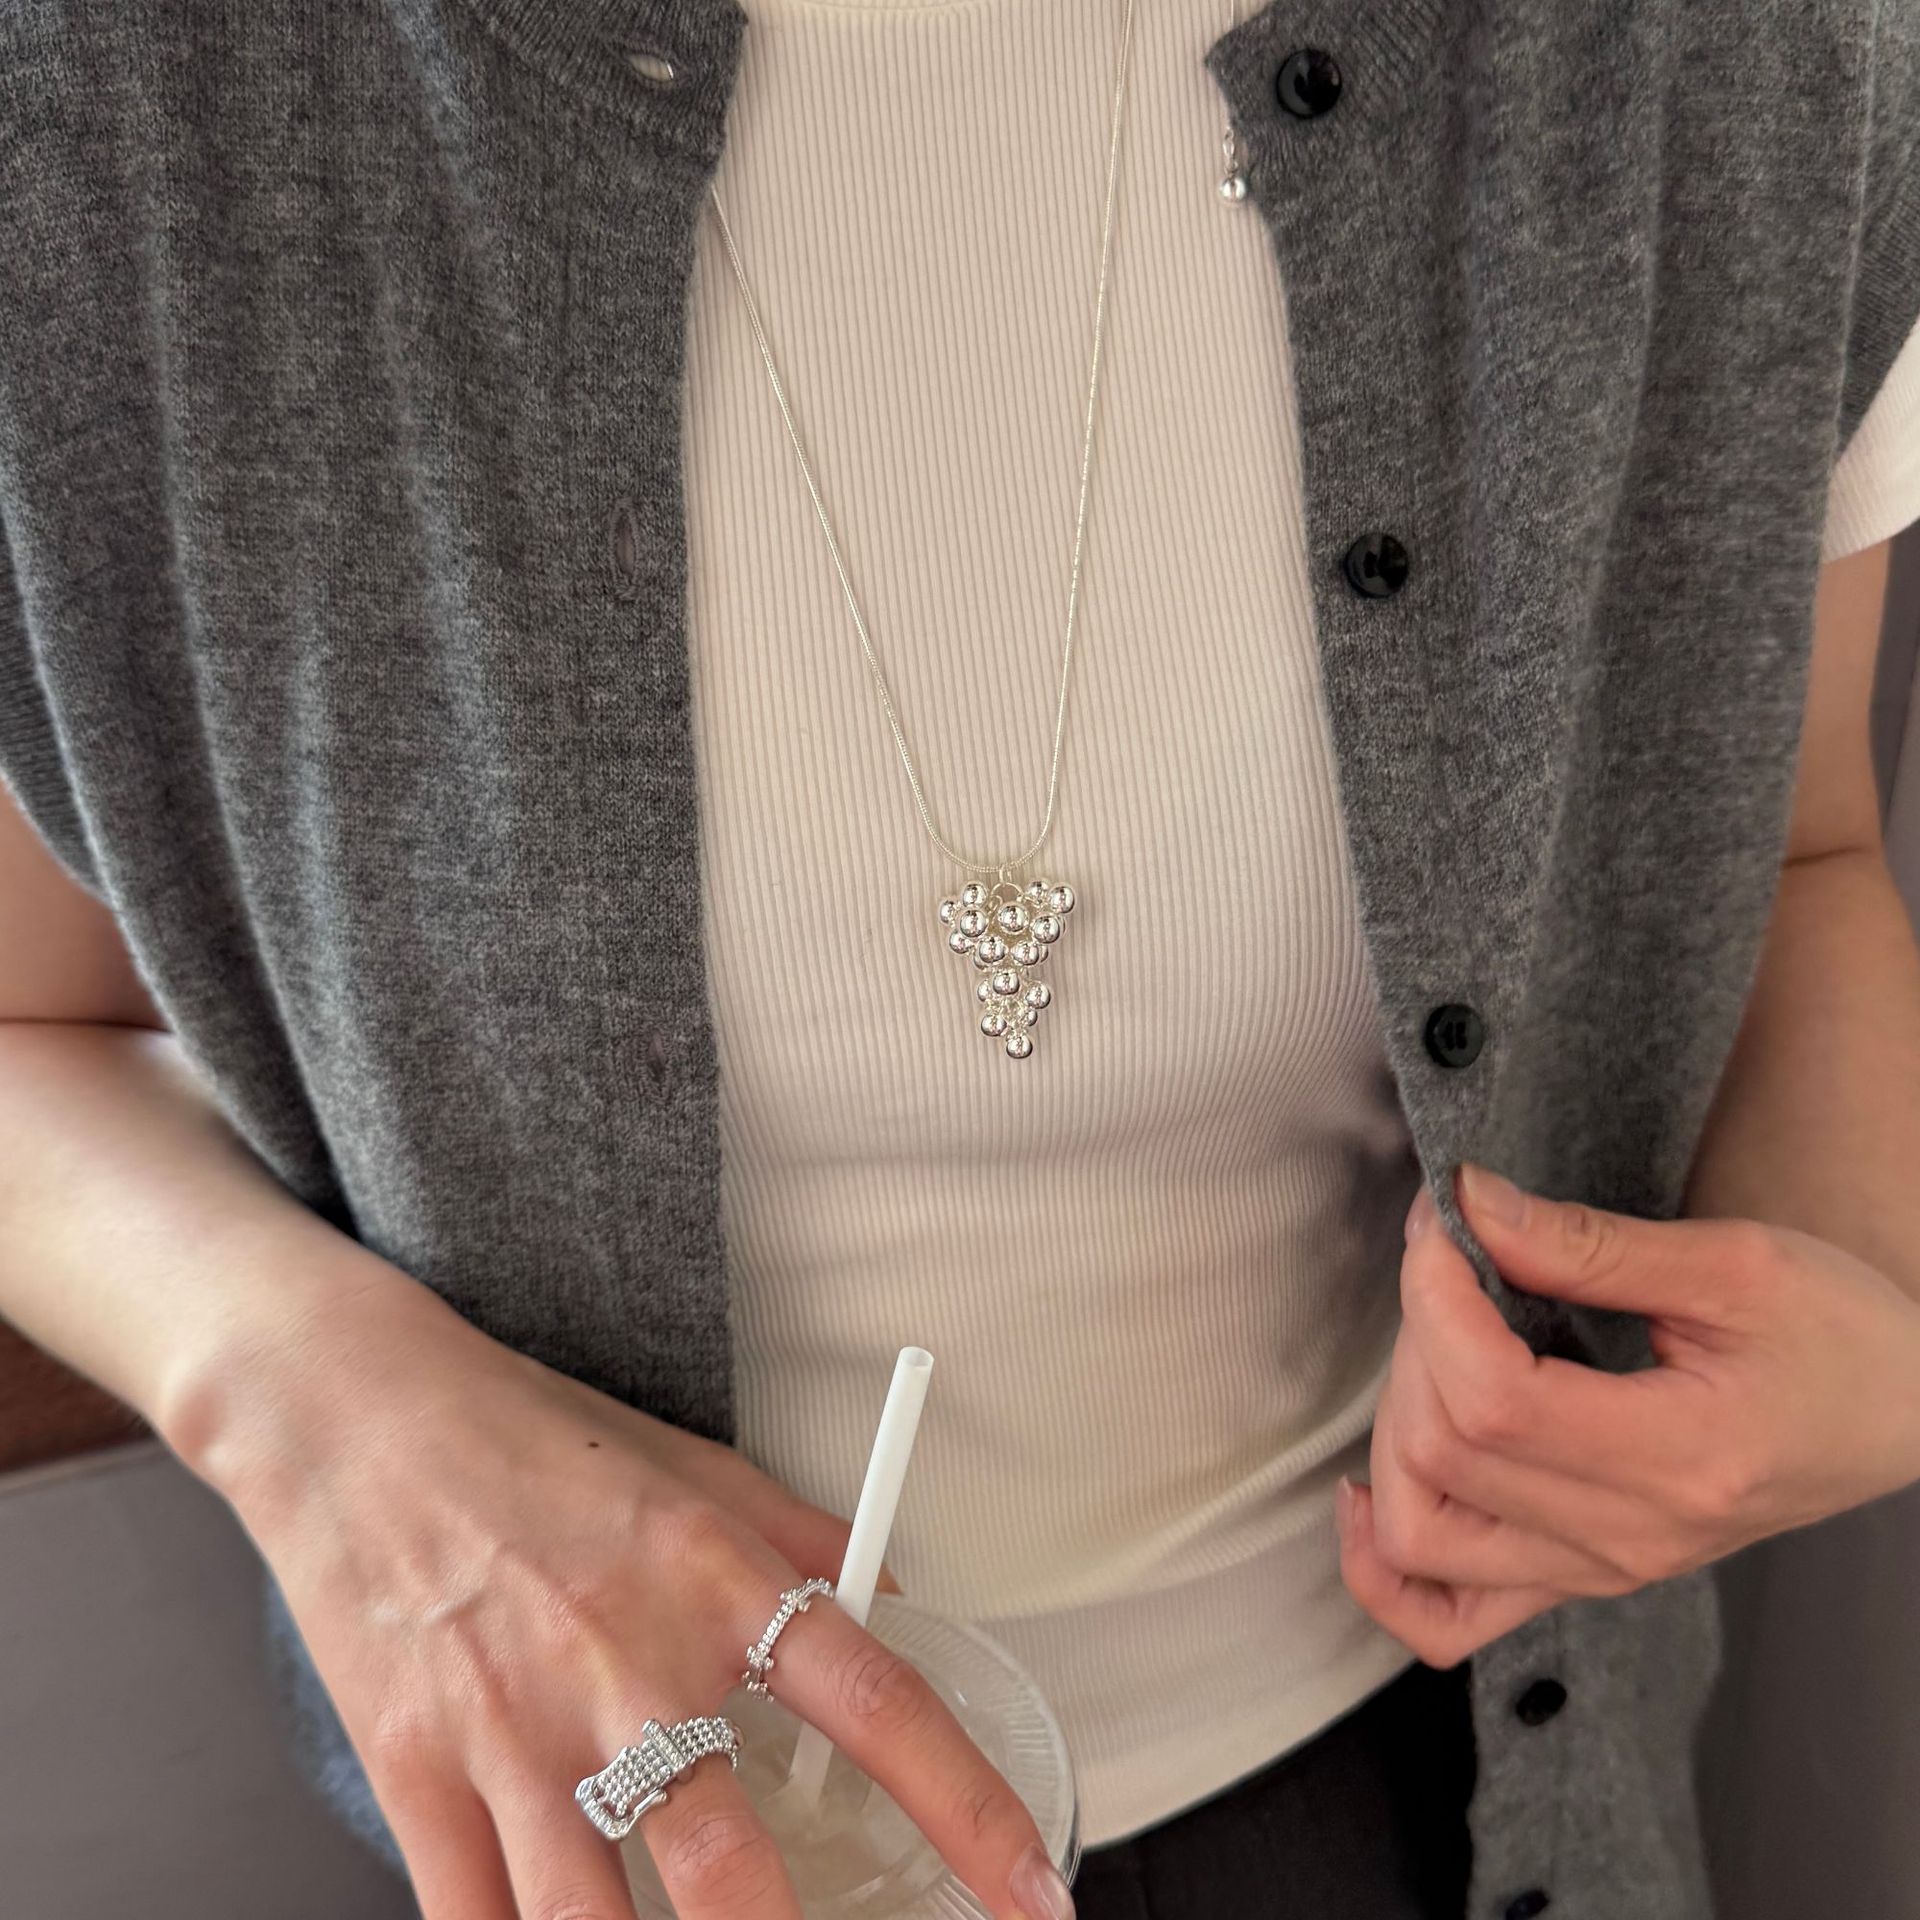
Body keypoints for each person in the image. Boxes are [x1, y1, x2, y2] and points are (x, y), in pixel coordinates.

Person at [3, 1, 1919, 1916]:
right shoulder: (103, 99)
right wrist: (325, 1420)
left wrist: (1864, 1302)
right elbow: (30, 1023)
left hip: (1435, 1776)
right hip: (613, 1837)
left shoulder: (1760, 53)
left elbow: (1799, 844)